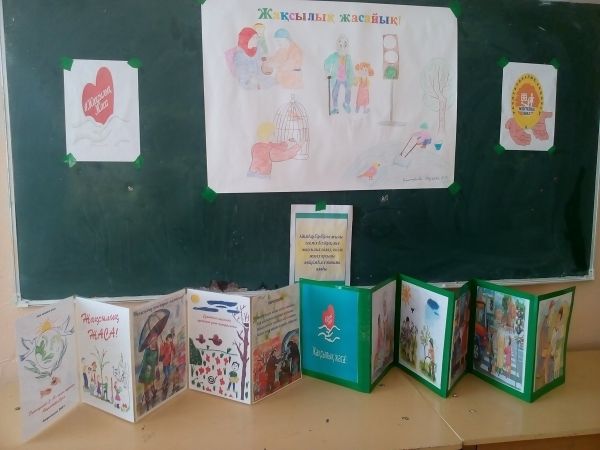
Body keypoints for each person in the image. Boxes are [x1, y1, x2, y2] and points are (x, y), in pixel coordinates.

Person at [324, 34, 354, 114]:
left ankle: (346, 104)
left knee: (348, 90)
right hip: (337, 78)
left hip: (346, 78)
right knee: (335, 93)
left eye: (344, 45)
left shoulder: (348, 57)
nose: (342, 47)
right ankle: (335, 107)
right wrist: (327, 72)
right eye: (340, 45)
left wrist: (352, 79)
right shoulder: (334, 56)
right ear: (338, 46)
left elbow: (351, 69)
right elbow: (326, 62)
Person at [138, 332, 160, 411]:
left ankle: (153, 392)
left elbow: (156, 361)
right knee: (146, 384)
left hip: (152, 370)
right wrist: (149, 364)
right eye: (152, 340)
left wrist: (156, 367)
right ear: (150, 341)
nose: (153, 342)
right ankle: (147, 398)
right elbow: (144, 361)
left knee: (151, 383)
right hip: (146, 371)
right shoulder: (147, 350)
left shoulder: (156, 350)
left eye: (155, 340)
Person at [160, 333, 176, 397]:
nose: (171, 339)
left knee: (169, 374)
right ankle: (163, 386)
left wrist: (174, 352)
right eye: (170, 338)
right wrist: (163, 346)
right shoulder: (164, 344)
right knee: (166, 375)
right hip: (165, 362)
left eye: (171, 338)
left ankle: (165, 385)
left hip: (169, 362)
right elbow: (162, 353)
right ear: (168, 338)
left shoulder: (171, 344)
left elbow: (174, 350)